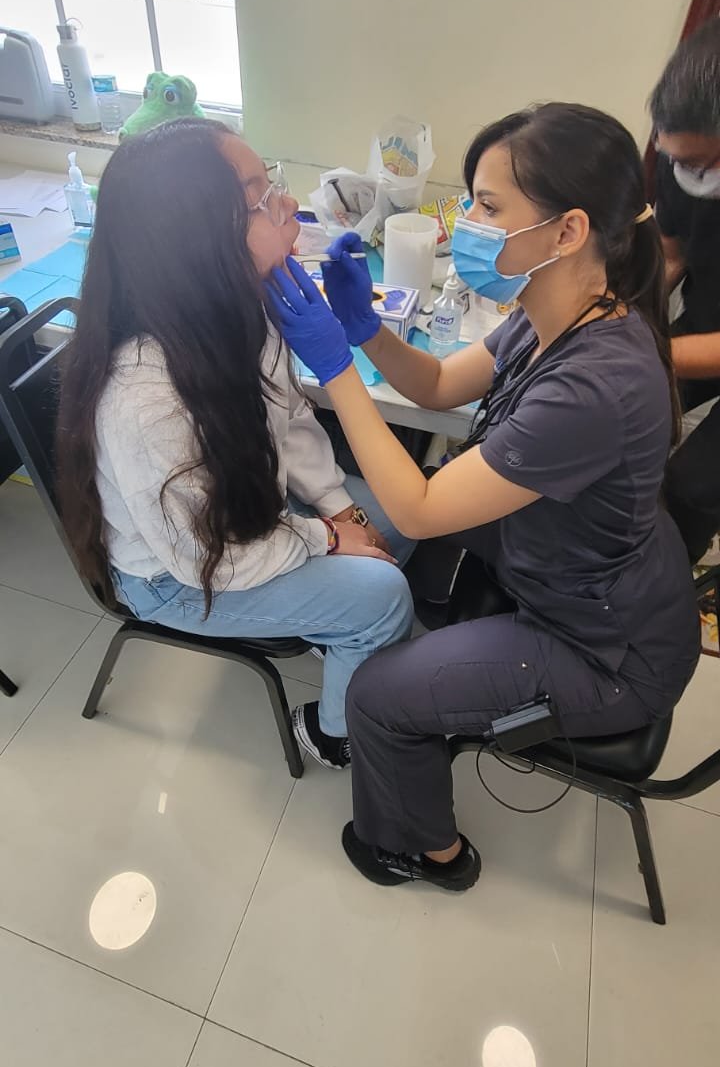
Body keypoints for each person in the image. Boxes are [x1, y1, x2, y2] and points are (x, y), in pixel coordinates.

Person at [267, 103, 701, 892]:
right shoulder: (556, 313)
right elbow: (435, 383)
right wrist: (365, 332)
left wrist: (333, 366)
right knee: (405, 574)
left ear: (568, 231)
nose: (463, 223)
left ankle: (424, 851)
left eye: (487, 207)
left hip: (606, 648)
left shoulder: (594, 382)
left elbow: (419, 509)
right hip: (588, 581)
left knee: (378, 698)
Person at [56, 119, 415, 769]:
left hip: (250, 511)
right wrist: (329, 539)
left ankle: (335, 623)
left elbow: (291, 420)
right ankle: (333, 736)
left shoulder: (241, 303)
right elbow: (208, 559)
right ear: (199, 241)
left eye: (269, 182)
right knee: (384, 593)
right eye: (257, 197)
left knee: (402, 519)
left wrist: (339, 508)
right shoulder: (145, 400)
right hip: (181, 572)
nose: (285, 205)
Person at [649, 19, 720, 562]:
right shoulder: (679, 167)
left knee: (691, 487)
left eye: (697, 163)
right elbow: (670, 254)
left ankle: (659, 596)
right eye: (675, 160)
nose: (682, 173)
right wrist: (623, 313)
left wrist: (641, 351)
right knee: (635, 410)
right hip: (707, 317)